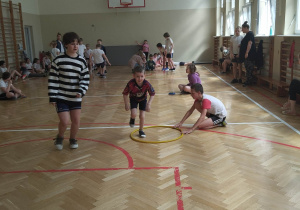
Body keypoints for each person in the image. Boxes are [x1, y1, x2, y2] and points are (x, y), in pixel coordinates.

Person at [48, 32, 90, 150]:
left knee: (76, 121)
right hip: (61, 97)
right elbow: (53, 79)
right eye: (72, 44)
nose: (75, 46)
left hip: (75, 97)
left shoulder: (81, 61)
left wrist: (81, 91)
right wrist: (52, 96)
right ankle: (60, 137)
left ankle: (72, 138)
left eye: (77, 44)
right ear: (66, 45)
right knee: (65, 121)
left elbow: (85, 78)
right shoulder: (58, 60)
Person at [122, 65, 155, 138]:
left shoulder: (146, 84)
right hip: (133, 99)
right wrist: (126, 104)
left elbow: (152, 94)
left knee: (142, 116)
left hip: (143, 100)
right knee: (134, 114)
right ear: (133, 76)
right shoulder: (131, 83)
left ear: (144, 76)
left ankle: (141, 130)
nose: (140, 78)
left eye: (141, 76)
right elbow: (125, 93)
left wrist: (149, 104)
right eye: (137, 76)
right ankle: (132, 119)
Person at [239, 21, 256, 87]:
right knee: (247, 67)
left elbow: (250, 43)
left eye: (242, 28)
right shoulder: (247, 35)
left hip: (250, 55)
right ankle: (248, 80)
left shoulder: (250, 34)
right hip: (247, 55)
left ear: (246, 28)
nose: (242, 30)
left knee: (249, 67)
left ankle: (249, 81)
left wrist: (247, 53)